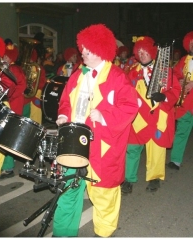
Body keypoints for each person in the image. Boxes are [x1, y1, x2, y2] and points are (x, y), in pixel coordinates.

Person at [53, 23, 139, 237]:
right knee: (68, 190)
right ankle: (63, 233)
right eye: (82, 48)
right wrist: (63, 114)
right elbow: (65, 101)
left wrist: (105, 116)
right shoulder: (77, 75)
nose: (83, 53)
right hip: (74, 141)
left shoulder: (117, 77)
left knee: (103, 195)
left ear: (101, 50)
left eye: (88, 50)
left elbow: (130, 106)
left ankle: (103, 233)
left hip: (103, 146)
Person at [121, 36, 181, 194]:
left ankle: (155, 178)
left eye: (145, 51)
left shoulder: (164, 71)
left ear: (152, 52)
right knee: (132, 148)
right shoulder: (132, 72)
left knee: (157, 148)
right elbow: (125, 93)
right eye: (139, 51)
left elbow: (175, 90)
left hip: (158, 116)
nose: (142, 54)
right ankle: (128, 179)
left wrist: (164, 97)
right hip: (139, 118)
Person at [0, 39, 27, 188]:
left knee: (2, 140)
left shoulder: (8, 70)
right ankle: (3, 168)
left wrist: (0, 87)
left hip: (6, 105)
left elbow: (12, 88)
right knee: (0, 140)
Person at [167, 31, 193, 170]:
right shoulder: (184, 60)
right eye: (191, 43)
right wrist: (179, 79)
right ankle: (175, 160)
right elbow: (174, 74)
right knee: (182, 130)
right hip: (187, 102)